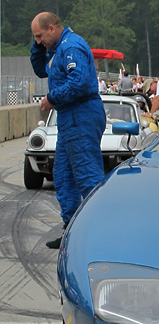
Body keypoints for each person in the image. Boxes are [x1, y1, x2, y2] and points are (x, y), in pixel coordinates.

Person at [30, 12, 106, 249]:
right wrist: (37, 44)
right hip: (69, 118)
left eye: (40, 36)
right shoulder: (56, 50)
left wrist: (52, 97)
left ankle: (101, 233)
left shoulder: (71, 46)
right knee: (63, 176)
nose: (39, 41)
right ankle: (72, 231)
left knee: (87, 176)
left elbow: (80, 82)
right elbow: (41, 69)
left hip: (81, 114)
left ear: (52, 28)